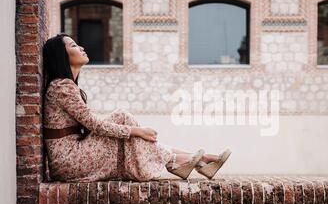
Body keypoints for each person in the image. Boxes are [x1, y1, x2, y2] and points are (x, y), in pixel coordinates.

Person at [42, 33, 231, 182]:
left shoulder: (68, 86)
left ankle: (192, 160)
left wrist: (135, 132)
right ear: (61, 55)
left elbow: (95, 122)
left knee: (125, 125)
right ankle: (189, 161)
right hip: (69, 160)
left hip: (74, 154)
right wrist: (136, 130)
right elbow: (95, 125)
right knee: (124, 121)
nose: (81, 47)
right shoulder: (62, 87)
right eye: (73, 45)